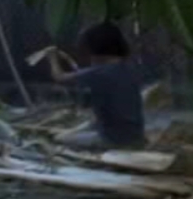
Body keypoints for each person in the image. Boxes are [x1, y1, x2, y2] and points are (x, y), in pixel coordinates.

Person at [40, 21, 147, 149]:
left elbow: (59, 77)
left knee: (61, 138)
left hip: (114, 140)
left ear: (95, 48)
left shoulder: (99, 72)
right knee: (89, 124)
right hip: (136, 134)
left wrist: (51, 57)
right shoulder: (127, 67)